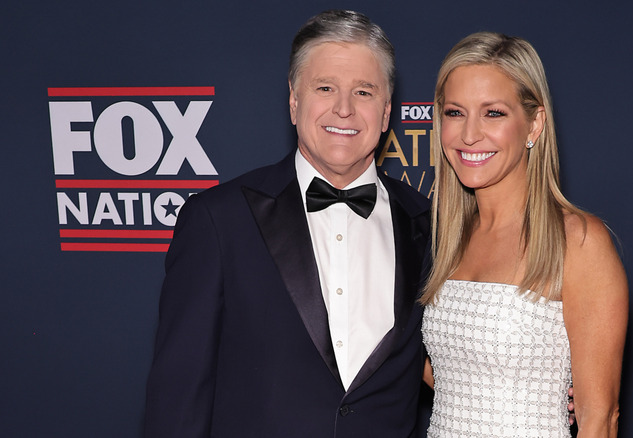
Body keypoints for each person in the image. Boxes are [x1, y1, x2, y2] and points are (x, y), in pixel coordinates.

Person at [143, 10, 431, 437]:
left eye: (364, 92)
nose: (344, 108)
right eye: (325, 88)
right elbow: (177, 401)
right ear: (294, 102)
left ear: (387, 112)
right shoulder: (218, 220)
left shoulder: (431, 224)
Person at [420, 32, 629, 437]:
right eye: (455, 112)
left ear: (534, 123)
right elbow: (448, 372)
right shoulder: (443, 239)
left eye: (493, 113)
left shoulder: (578, 240)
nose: (469, 135)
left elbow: (599, 419)